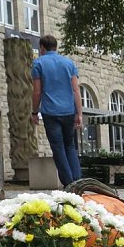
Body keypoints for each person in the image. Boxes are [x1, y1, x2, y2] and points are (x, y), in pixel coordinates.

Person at [31, 34, 83, 186]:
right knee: (70, 146)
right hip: (68, 111)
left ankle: (69, 183)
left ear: (42, 48)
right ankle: (78, 181)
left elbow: (37, 92)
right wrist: (79, 113)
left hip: (50, 112)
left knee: (58, 148)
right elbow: (76, 90)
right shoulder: (69, 63)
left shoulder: (38, 64)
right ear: (55, 47)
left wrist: (34, 112)